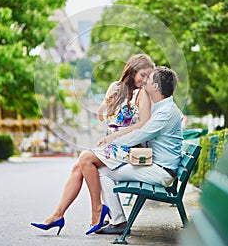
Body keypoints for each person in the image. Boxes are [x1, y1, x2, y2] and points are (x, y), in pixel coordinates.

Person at [30, 54, 155, 235]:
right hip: (113, 145)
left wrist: (115, 136)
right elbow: (101, 115)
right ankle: (58, 215)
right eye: (142, 74)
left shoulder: (143, 94)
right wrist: (107, 101)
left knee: (85, 158)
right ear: (133, 70)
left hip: (129, 147)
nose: (144, 80)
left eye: (148, 76)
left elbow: (143, 124)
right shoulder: (116, 87)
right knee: (77, 168)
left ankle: (97, 210)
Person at [79, 66, 183, 234]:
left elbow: (140, 134)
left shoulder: (166, 112)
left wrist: (112, 140)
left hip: (161, 172)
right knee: (100, 167)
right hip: (157, 166)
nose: (145, 81)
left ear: (155, 86)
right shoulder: (162, 107)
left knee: (101, 170)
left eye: (149, 79)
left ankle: (117, 221)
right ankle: (116, 219)